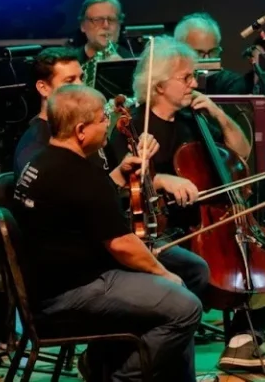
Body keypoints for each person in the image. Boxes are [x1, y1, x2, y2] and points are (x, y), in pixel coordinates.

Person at [11, 84, 202, 382]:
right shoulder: (81, 174)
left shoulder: (41, 162)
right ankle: (119, 377)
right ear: (81, 130)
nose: (108, 125)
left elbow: (81, 212)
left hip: (51, 283)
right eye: (102, 119)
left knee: (181, 283)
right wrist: (163, 274)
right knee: (185, 306)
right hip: (71, 294)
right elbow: (122, 245)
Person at [119, 37, 265, 375]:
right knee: (205, 265)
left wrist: (218, 114)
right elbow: (122, 183)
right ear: (160, 84)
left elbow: (240, 153)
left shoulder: (193, 120)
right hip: (166, 229)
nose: (195, 83)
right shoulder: (133, 124)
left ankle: (243, 340)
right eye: (187, 77)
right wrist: (163, 180)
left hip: (207, 218)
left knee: (251, 255)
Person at [14, 46, 149, 189]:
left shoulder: (91, 130)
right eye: (69, 81)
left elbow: (104, 185)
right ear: (43, 88)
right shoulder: (34, 145)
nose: (81, 86)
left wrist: (124, 171)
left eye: (81, 78)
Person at [78, 0, 129, 74]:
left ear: (119, 25)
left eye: (111, 19)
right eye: (97, 20)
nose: (106, 25)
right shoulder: (69, 63)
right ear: (83, 26)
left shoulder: (134, 66)